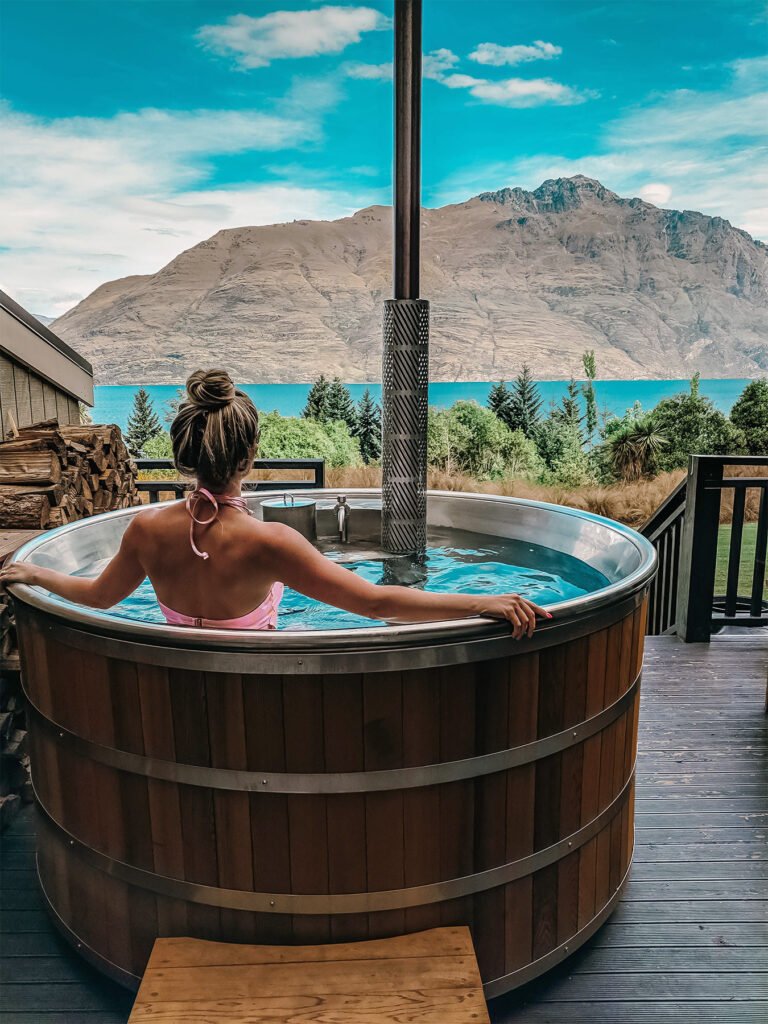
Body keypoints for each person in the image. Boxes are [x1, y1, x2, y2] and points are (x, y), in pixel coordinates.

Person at [0, 369, 551, 637]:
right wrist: (480, 603)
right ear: (252, 455)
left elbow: (97, 597)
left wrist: (34, 574)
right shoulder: (271, 543)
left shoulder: (145, 530)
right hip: (252, 701)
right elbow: (377, 604)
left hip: (177, 691)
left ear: (182, 454)